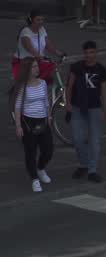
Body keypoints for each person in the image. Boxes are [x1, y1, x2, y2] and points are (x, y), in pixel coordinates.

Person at [66, 40, 106, 182]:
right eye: (86, 53)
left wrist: (104, 109)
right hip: (78, 107)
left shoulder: (101, 70)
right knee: (78, 139)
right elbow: (70, 86)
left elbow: (104, 91)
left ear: (96, 53)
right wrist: (68, 103)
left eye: (91, 52)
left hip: (94, 108)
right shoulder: (76, 67)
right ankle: (83, 164)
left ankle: (92, 170)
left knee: (95, 141)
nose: (89, 55)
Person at [10, 58, 54, 192]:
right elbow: (17, 107)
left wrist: (49, 116)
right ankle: (34, 179)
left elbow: (46, 101)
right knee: (31, 152)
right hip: (28, 122)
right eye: (34, 67)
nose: (37, 69)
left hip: (43, 120)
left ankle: (41, 168)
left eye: (37, 66)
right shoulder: (22, 87)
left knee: (48, 149)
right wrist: (18, 126)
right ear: (27, 70)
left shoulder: (42, 83)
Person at [11, 9, 64, 82]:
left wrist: (59, 53)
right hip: (23, 63)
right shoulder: (25, 32)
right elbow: (31, 49)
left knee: (53, 68)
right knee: (27, 83)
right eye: (38, 20)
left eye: (42, 20)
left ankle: (39, 86)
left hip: (36, 62)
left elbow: (48, 45)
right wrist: (42, 58)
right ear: (31, 20)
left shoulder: (42, 29)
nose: (41, 22)